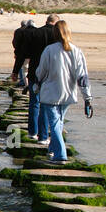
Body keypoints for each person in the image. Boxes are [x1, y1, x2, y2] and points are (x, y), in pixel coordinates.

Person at [34, 20, 92, 164]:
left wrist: (36, 84)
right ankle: (52, 150)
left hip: (50, 94)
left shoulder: (49, 50)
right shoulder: (77, 51)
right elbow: (83, 77)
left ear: (55, 34)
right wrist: (87, 98)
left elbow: (41, 72)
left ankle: (60, 155)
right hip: (68, 94)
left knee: (54, 124)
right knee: (58, 123)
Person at [9, 14, 60, 141]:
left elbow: (22, 53)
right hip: (51, 74)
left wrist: (15, 71)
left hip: (34, 72)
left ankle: (32, 132)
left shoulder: (35, 33)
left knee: (34, 102)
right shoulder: (58, 36)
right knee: (46, 104)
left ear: (46, 21)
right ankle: (43, 136)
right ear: (57, 23)